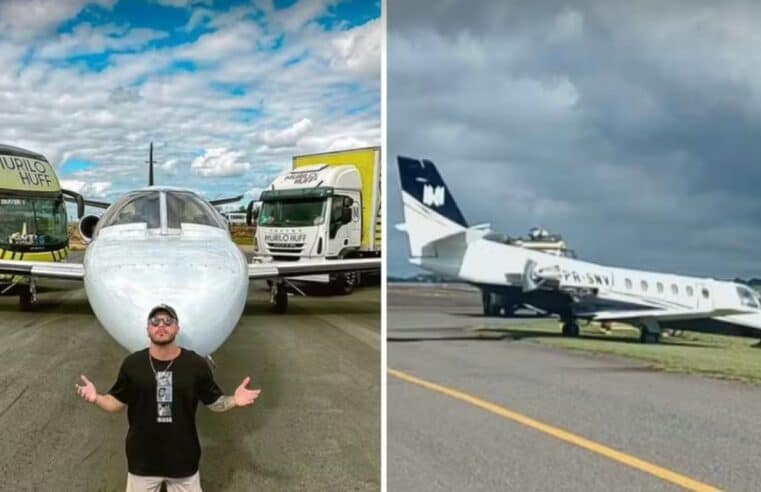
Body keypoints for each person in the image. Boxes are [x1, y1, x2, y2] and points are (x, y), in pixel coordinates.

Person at [75, 304, 261, 492]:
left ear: (177, 328)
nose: (161, 325)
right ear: (147, 329)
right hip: (142, 462)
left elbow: (214, 402)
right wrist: (96, 397)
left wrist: (234, 401)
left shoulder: (195, 365)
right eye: (155, 322)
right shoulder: (133, 364)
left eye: (168, 321)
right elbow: (116, 403)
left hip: (184, 461)